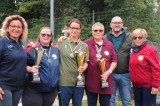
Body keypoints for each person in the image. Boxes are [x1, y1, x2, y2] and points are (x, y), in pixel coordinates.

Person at [22, 27, 60, 106]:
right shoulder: (31, 49)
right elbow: (21, 66)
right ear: (39, 36)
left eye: (48, 35)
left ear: (51, 37)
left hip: (50, 91)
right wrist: (30, 69)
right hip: (33, 89)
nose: (46, 36)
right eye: (43, 34)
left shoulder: (56, 50)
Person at [57, 18, 89, 106]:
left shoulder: (84, 45)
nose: (74, 30)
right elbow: (49, 49)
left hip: (79, 82)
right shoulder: (61, 42)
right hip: (64, 81)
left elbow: (86, 62)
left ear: (80, 30)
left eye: (77, 28)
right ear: (68, 29)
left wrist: (84, 68)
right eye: (72, 28)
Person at [84, 22, 117, 106]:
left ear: (103, 32)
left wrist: (108, 72)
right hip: (91, 81)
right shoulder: (86, 43)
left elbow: (114, 61)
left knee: (105, 104)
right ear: (92, 32)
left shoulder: (109, 44)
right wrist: (64, 38)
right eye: (95, 30)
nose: (98, 32)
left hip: (105, 81)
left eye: (100, 30)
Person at [0, 15, 28, 106]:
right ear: (7, 28)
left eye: (19, 27)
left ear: (22, 30)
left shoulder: (21, 44)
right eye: (13, 26)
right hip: (4, 86)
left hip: (19, 86)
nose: (16, 29)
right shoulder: (2, 42)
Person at [105, 16, 132, 106]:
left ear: (122, 24)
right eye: (114, 23)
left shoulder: (130, 37)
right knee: (110, 100)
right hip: (110, 74)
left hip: (125, 74)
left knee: (127, 101)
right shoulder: (105, 38)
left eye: (119, 23)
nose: (117, 24)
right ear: (110, 24)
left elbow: (142, 39)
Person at [129, 28, 160, 106]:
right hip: (136, 86)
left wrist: (155, 86)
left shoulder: (150, 50)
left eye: (140, 37)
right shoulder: (133, 51)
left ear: (144, 38)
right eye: (134, 38)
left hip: (148, 87)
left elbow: (156, 68)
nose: (137, 39)